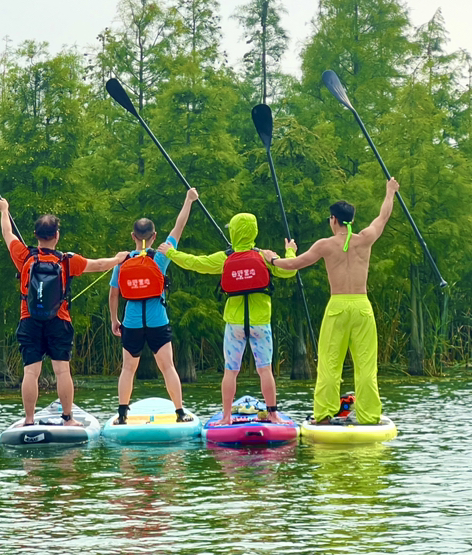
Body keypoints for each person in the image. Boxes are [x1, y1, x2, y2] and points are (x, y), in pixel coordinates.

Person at [260, 178, 399, 426]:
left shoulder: (325, 245)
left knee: (329, 365)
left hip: (337, 307)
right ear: (351, 220)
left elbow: (294, 264)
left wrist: (272, 259)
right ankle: (369, 417)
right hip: (362, 306)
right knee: (366, 366)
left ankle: (324, 415)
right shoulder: (365, 238)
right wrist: (390, 192)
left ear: (333, 219)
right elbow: (383, 217)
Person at [157, 211, 297, 426]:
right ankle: (273, 414)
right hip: (260, 322)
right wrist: (290, 250)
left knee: (231, 371)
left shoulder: (224, 258)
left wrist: (171, 253)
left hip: (235, 324)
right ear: (254, 232)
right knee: (265, 370)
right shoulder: (266, 257)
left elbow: (195, 263)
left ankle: (226, 417)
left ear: (234, 232)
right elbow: (290, 269)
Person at [0, 198, 128, 426]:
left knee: (31, 372)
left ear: (36, 235)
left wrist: (4, 210)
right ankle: (68, 419)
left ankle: (29, 419)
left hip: (29, 320)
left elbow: (8, 233)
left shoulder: (24, 256)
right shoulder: (68, 261)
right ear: (56, 236)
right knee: (62, 371)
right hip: (59, 321)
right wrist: (118, 259)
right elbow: (99, 265)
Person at [108, 188, 199, 425]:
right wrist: (188, 200)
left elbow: (114, 293)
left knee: (128, 369)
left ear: (133, 236)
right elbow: (178, 227)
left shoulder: (122, 260)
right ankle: (180, 412)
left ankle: (122, 415)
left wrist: (114, 320)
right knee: (168, 367)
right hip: (158, 320)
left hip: (132, 321)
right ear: (154, 235)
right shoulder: (160, 256)